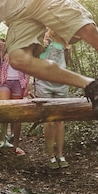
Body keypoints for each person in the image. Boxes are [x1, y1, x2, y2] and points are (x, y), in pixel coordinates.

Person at [0, 21, 29, 156]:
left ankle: (16, 146)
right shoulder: (4, 47)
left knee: (17, 116)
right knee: (3, 112)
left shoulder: (25, 47)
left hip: (19, 82)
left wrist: (27, 86)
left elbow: (29, 66)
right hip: (5, 82)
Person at [35, 29, 70, 169]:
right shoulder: (39, 38)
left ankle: (61, 154)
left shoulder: (64, 39)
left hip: (61, 82)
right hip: (43, 83)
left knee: (60, 121)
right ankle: (51, 156)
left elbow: (66, 59)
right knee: (48, 121)